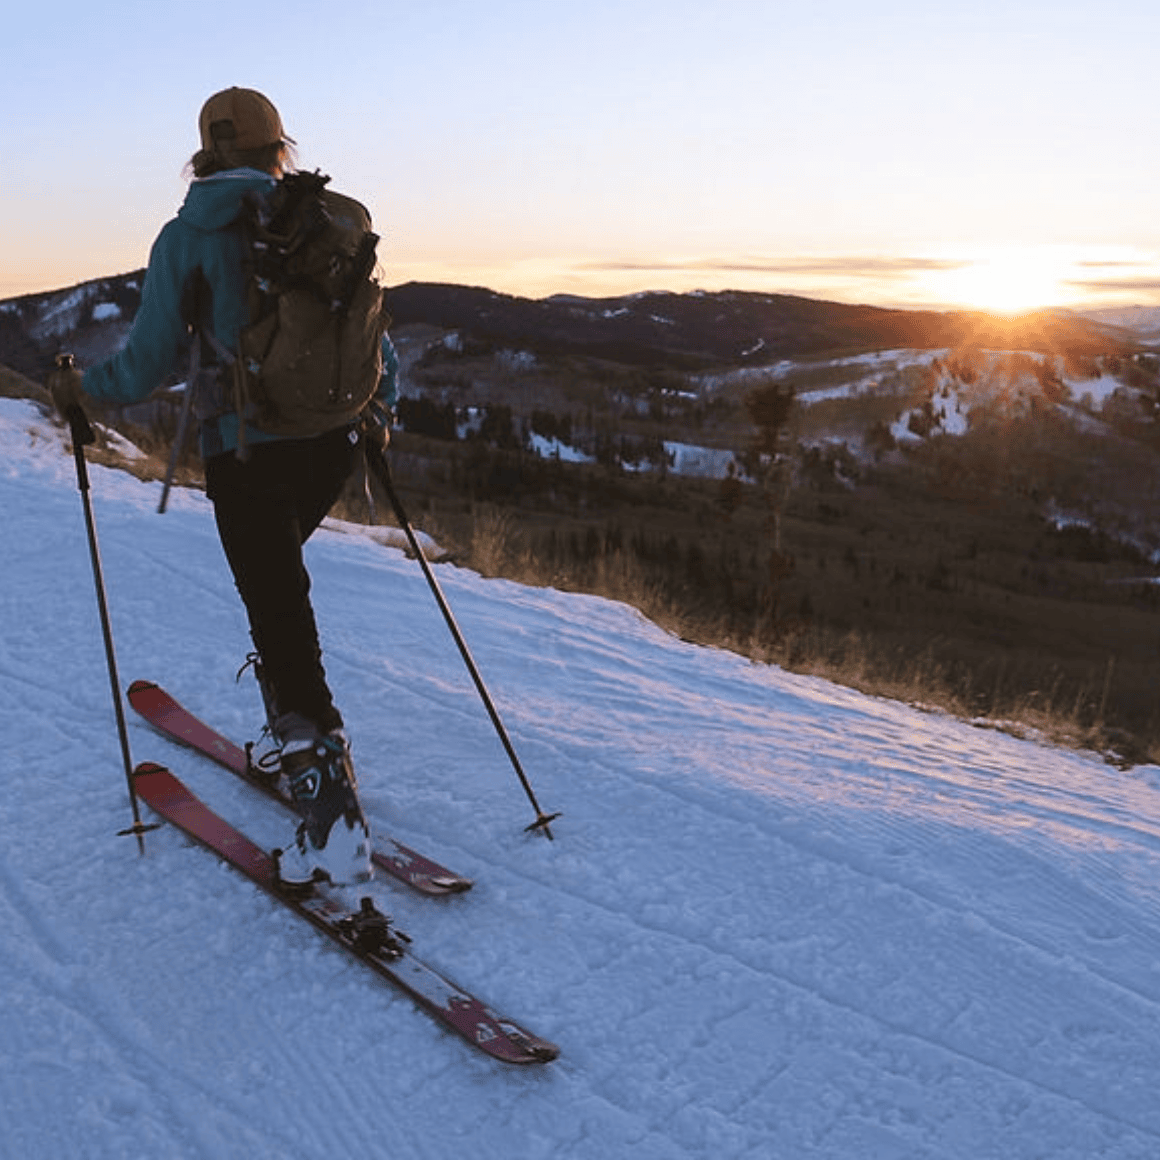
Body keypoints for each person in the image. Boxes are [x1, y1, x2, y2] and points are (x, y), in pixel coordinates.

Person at [48, 87, 398, 886]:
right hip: (333, 443)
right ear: (280, 147)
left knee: (280, 616)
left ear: (204, 152)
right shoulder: (330, 220)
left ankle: (332, 822)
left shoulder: (189, 236)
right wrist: (377, 415)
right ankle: (294, 748)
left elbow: (147, 363)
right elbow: (378, 338)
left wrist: (80, 390)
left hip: (249, 454)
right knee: (280, 601)